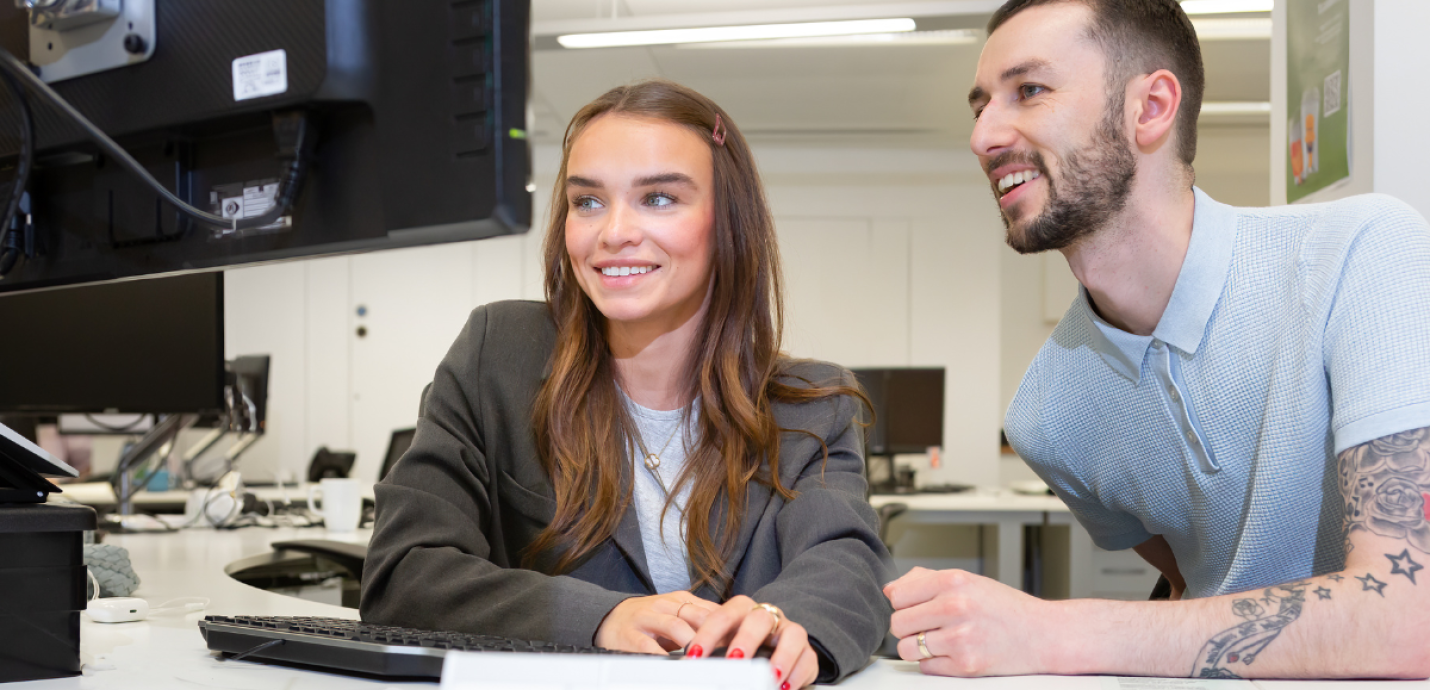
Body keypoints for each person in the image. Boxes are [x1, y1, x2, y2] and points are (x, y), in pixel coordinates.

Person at [884, 0, 1430, 679]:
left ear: (1150, 109)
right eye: (979, 106)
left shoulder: (1362, 255)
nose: (983, 136)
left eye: (1029, 90)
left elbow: (1410, 619)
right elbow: (1191, 594)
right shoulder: (1048, 418)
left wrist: (1056, 631)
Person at [361, 79, 891, 688]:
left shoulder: (812, 404)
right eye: (587, 202)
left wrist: (780, 623)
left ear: (727, 222)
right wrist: (599, 617)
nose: (613, 232)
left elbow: (848, 566)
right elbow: (405, 571)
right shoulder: (497, 354)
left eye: (659, 198)